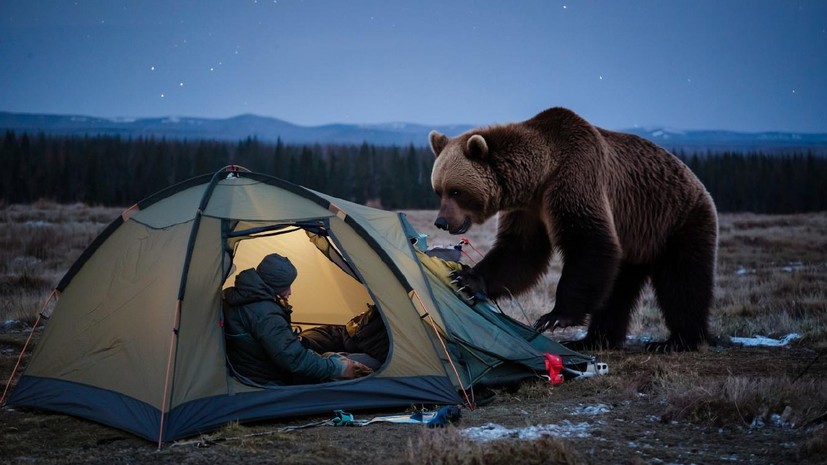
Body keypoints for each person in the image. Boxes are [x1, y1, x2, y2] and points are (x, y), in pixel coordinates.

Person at [222, 253, 374, 386]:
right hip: (269, 380)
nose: (290, 292)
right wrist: (338, 368)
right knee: (365, 364)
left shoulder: (244, 297)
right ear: (274, 285)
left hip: (258, 369)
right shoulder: (265, 313)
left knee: (329, 344)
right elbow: (294, 360)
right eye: (286, 286)